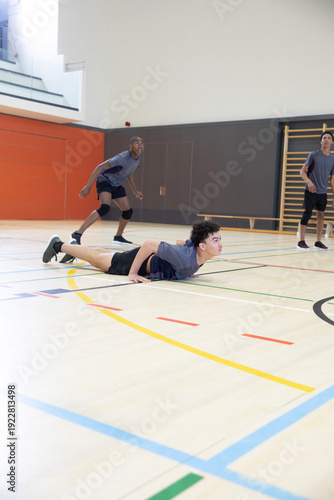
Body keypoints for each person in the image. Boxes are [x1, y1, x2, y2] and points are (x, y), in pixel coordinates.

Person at [42, 220, 222, 283]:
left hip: (145, 260)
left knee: (106, 255)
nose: (220, 244)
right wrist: (133, 273)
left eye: (220, 239)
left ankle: (75, 247)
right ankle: (57, 245)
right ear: (202, 246)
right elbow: (149, 244)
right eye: (215, 240)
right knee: (96, 259)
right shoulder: (184, 256)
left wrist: (186, 271)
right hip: (139, 263)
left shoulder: (199, 254)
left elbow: (182, 242)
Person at [71, 136, 144, 246]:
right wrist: (88, 186)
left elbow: (130, 174)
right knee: (105, 208)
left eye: (141, 143)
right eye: (137, 143)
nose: (140, 145)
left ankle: (118, 237)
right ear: (130, 146)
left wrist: (135, 191)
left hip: (116, 184)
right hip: (104, 180)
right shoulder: (122, 157)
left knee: (128, 212)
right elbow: (100, 167)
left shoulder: (137, 160)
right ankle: (77, 234)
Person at [297, 131, 334, 250]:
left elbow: (332, 179)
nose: (326, 140)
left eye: (329, 138)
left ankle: (318, 241)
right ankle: (301, 241)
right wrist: (309, 181)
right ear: (321, 141)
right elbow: (302, 171)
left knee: (321, 216)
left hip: (323, 192)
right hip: (311, 191)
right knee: (307, 214)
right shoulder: (313, 155)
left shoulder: (333, 158)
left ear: (332, 142)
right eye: (324, 138)